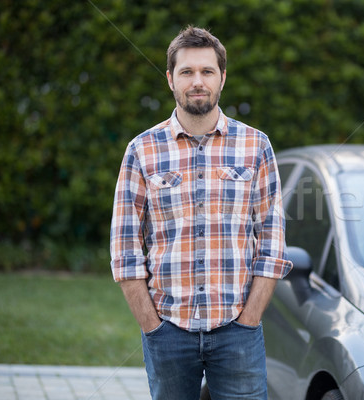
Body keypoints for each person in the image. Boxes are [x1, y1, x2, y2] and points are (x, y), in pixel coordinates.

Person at [110, 26, 292, 400]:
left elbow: (272, 245)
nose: (198, 81)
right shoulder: (141, 150)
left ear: (222, 78)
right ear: (170, 80)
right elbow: (125, 249)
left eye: (207, 72)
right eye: (187, 72)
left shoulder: (256, 146)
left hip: (237, 332)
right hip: (168, 332)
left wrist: (249, 320)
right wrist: (152, 326)